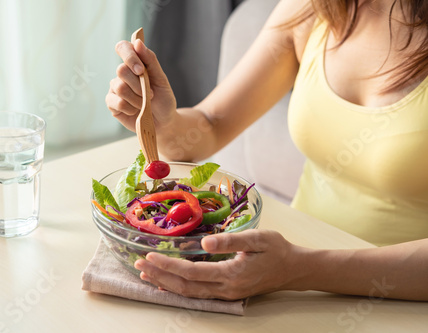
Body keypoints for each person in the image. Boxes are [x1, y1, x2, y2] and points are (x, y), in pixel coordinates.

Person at [105, 0, 428, 301]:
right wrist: (162, 121)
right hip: (289, 284)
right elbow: (211, 123)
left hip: (397, 300)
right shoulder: (314, 9)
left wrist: (300, 269)